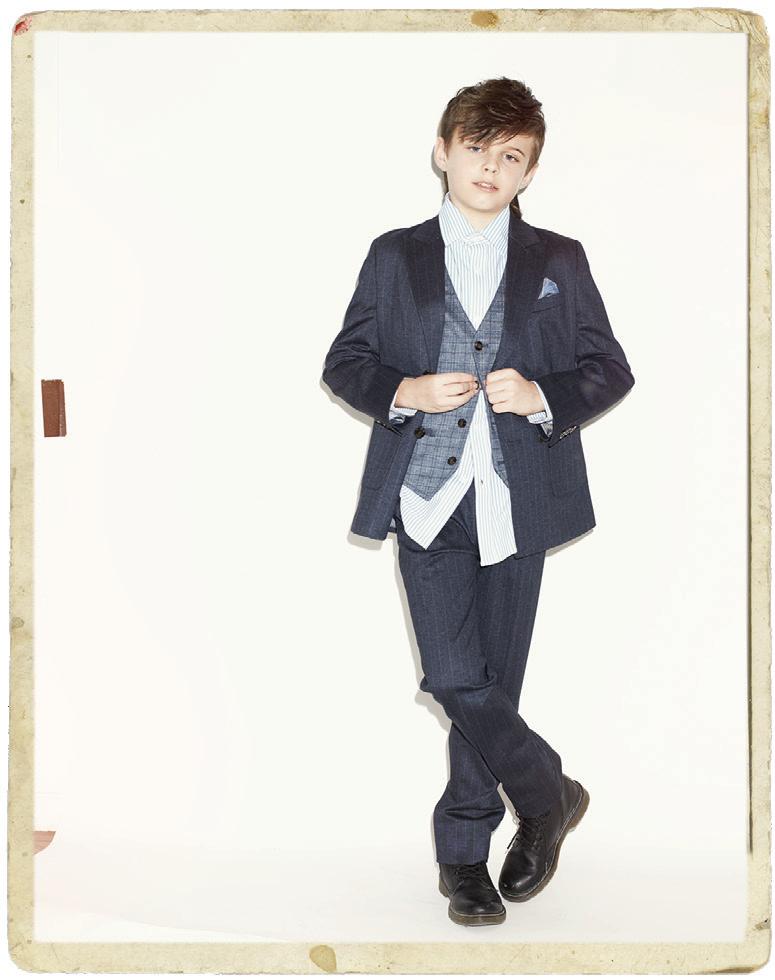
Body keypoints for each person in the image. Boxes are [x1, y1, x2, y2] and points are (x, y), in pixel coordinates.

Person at [321, 76, 635, 927]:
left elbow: (609, 368)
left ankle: (462, 857)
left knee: (496, 679)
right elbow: (345, 363)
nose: (490, 167)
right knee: (456, 678)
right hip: (426, 496)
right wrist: (405, 389)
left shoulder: (558, 260)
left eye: (511, 156)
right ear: (442, 151)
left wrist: (540, 394)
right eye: (476, 149)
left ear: (530, 172)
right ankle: (548, 792)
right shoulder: (395, 255)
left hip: (517, 495)